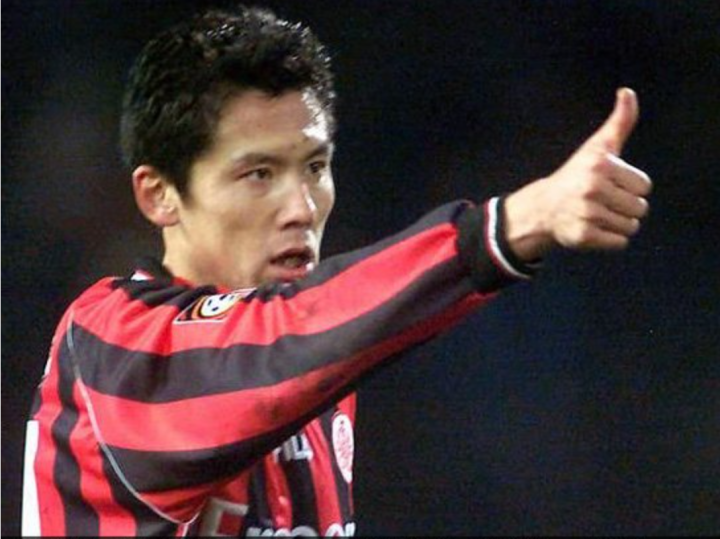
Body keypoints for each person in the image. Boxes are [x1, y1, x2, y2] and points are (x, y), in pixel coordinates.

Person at [21, 5, 652, 537]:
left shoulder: (312, 366)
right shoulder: (112, 349)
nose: (301, 207)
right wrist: (513, 224)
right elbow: (276, 336)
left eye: (315, 168)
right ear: (159, 195)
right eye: (258, 174)